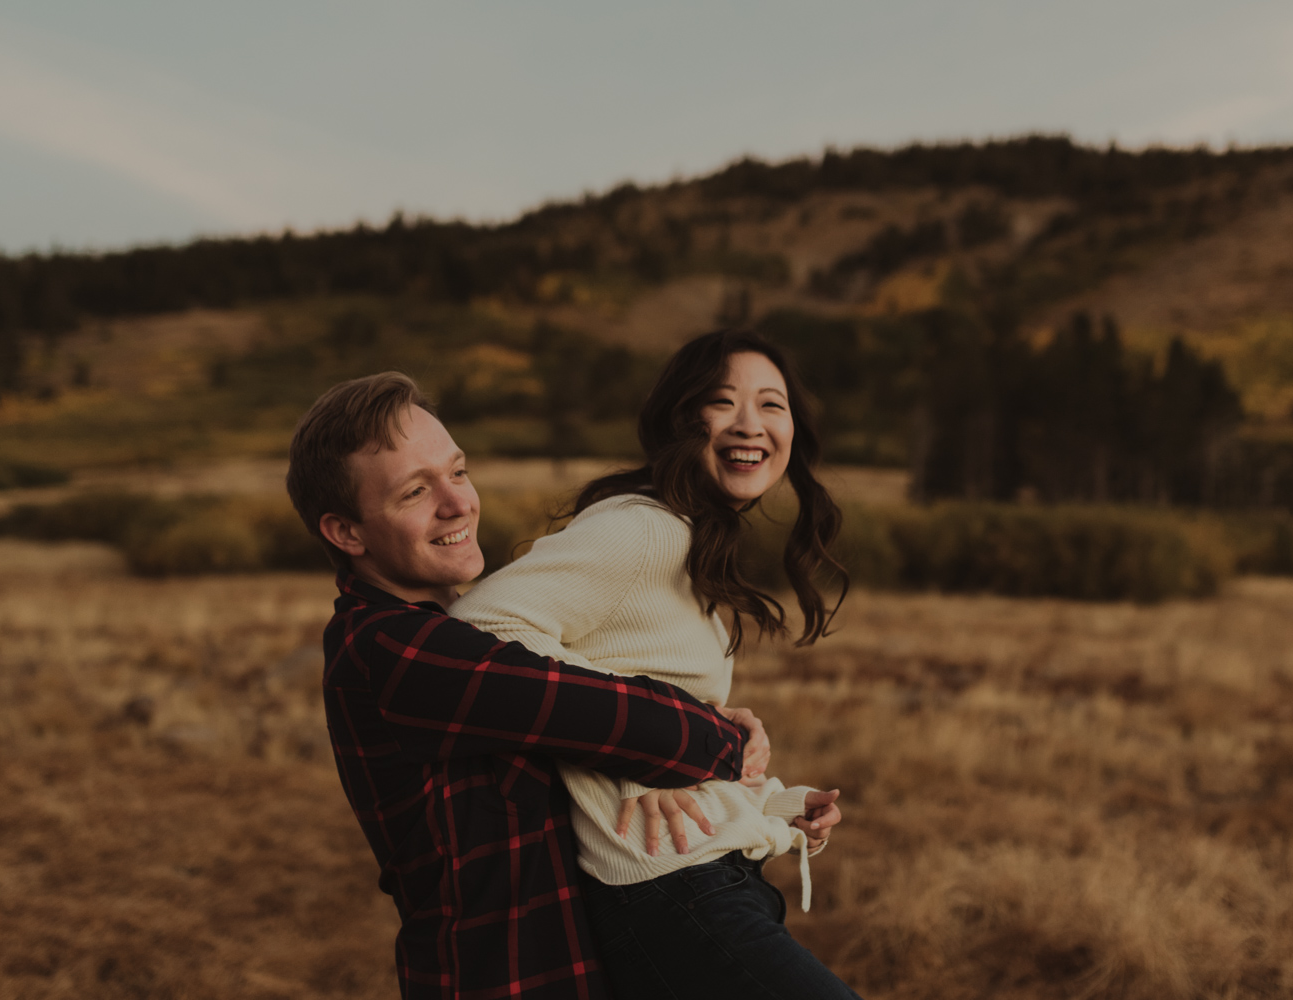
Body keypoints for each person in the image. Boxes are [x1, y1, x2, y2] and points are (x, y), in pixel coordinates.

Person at [285, 372, 774, 1000]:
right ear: (346, 532)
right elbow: (618, 720)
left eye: (457, 472)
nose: (458, 503)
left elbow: (608, 726)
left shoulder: (468, 629)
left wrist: (658, 770)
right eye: (414, 492)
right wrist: (720, 737)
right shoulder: (394, 650)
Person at [452, 330, 861, 999]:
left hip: (704, 879)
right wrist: (648, 741)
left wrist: (776, 803)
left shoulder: (690, 540)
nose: (751, 425)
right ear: (680, 420)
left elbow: (629, 690)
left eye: (772, 404)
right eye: (723, 402)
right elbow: (480, 627)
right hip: (668, 889)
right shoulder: (643, 528)